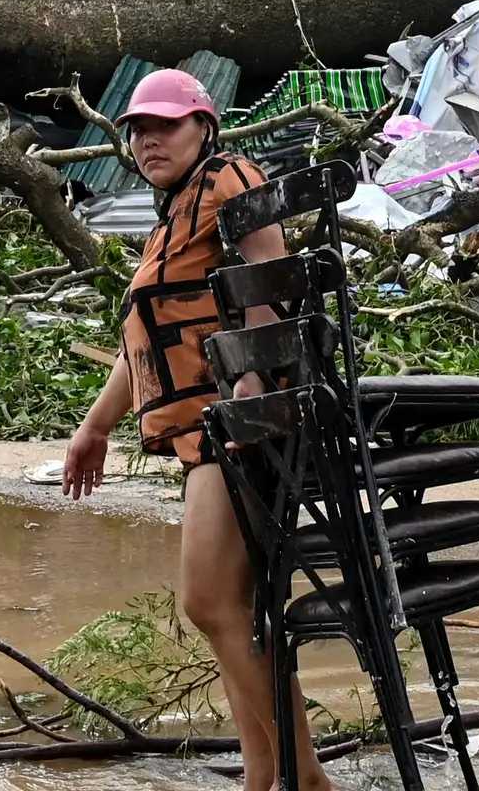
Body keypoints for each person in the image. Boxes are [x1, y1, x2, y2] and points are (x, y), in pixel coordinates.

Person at [60, 70, 332, 791]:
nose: (148, 139)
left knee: (207, 602)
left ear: (205, 127)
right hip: (204, 432)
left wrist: (249, 381)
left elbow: (271, 280)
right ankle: (260, 777)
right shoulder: (169, 217)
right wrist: (93, 428)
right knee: (228, 612)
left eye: (165, 125)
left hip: (241, 425)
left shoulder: (227, 178)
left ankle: (306, 781)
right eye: (138, 129)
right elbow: (141, 348)